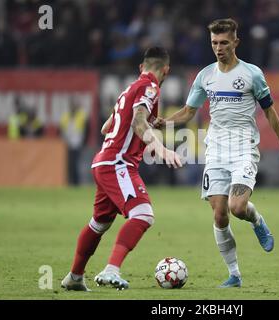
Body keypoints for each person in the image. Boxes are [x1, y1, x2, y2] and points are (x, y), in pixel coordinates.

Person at [155, 18, 279, 288]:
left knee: (237, 207)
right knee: (220, 214)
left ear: (235, 42)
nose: (218, 48)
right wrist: (167, 121)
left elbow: (269, 110)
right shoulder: (205, 76)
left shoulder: (252, 74)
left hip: (244, 149)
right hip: (216, 150)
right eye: (214, 43)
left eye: (223, 43)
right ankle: (234, 274)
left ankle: (257, 220)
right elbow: (189, 111)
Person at [61, 47, 182, 291]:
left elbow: (108, 127)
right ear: (166, 70)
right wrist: (160, 147)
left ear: (141, 67)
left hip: (103, 161)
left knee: (99, 223)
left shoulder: (128, 90)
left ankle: (74, 277)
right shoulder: (150, 88)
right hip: (118, 163)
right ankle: (111, 269)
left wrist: (145, 129)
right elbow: (137, 121)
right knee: (143, 214)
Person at [60, 98, 88, 185]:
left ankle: (76, 182)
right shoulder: (66, 116)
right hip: (68, 144)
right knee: (69, 165)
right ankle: (70, 182)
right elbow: (61, 130)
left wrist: (84, 142)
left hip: (77, 143)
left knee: (77, 164)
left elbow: (86, 129)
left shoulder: (81, 115)